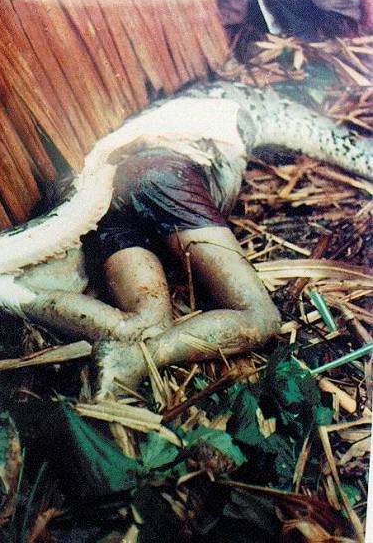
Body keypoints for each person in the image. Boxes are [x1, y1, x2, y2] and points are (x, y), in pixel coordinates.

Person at [80, 142, 281, 398]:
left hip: (106, 193)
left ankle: (27, 297)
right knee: (261, 316)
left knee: (149, 323)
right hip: (164, 176)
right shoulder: (227, 134)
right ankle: (137, 359)